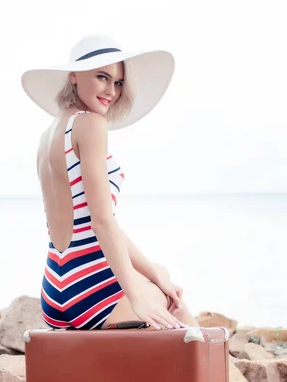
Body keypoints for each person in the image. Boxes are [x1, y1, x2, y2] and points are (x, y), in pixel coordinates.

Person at [21, 34, 201, 332]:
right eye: (102, 77)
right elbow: (102, 222)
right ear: (74, 75)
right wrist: (137, 297)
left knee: (160, 274)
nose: (112, 91)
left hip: (54, 290)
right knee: (175, 305)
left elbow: (102, 223)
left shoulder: (49, 134)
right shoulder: (90, 124)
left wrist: (152, 277)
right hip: (88, 293)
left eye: (118, 82)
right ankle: (212, 373)